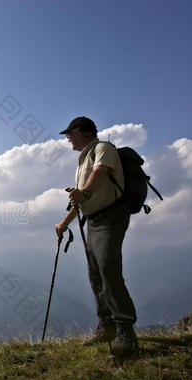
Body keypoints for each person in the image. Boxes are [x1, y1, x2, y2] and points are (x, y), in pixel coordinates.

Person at [54, 116, 138, 357]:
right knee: (96, 272)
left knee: (107, 268)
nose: (68, 138)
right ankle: (107, 326)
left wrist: (85, 192)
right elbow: (81, 199)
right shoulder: (83, 160)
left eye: (69, 133)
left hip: (111, 216)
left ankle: (125, 333)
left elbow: (101, 172)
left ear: (81, 131)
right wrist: (64, 223)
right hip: (94, 221)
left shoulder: (103, 149)